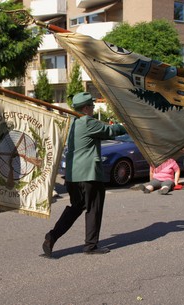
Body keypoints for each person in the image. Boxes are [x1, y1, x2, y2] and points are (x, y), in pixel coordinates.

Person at [42, 92, 126, 258]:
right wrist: (125, 125)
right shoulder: (88, 121)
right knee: (94, 208)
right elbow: (110, 131)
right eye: (92, 106)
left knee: (75, 208)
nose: (93, 109)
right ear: (86, 108)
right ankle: (91, 245)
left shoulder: (72, 122)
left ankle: (52, 236)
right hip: (88, 174)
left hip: (72, 175)